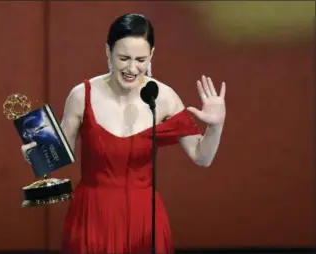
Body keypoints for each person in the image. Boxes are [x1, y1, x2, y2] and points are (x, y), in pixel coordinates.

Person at [21, 13, 226, 254]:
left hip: (144, 218)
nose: (132, 68)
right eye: (124, 58)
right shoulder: (81, 95)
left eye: (140, 59)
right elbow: (56, 156)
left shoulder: (164, 98)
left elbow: (202, 157)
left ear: (152, 55)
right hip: (92, 215)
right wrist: (36, 155)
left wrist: (216, 126)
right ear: (108, 52)